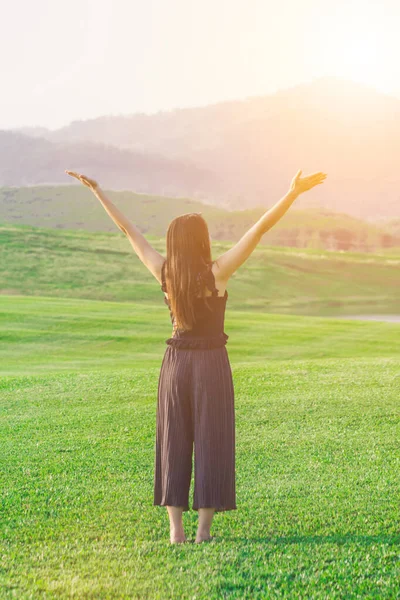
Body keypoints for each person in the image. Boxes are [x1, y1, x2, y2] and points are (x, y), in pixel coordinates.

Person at [65, 168, 327, 544]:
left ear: (173, 243)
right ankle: (203, 532)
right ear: (201, 242)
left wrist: (98, 192)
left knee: (174, 440)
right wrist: (291, 194)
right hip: (210, 364)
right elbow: (258, 230)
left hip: (174, 365)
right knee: (211, 439)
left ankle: (176, 531)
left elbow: (129, 232)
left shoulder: (163, 272)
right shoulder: (218, 273)